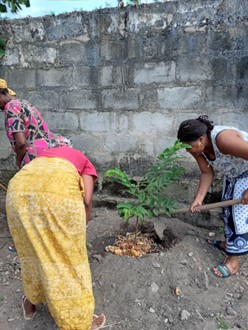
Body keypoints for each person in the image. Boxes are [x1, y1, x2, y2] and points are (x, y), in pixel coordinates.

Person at [6, 145, 106, 329]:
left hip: (16, 193)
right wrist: (82, 226)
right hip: (57, 196)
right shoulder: (85, 162)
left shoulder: (43, 157)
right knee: (69, 260)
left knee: (31, 253)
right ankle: (78, 322)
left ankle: (30, 305)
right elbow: (87, 200)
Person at [0, 78, 71, 252]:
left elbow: (21, 142)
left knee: (24, 199)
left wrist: (19, 159)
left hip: (36, 158)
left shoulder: (10, 108)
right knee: (45, 198)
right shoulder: (23, 103)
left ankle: (26, 243)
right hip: (52, 153)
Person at [177, 115, 248, 279]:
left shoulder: (223, 140)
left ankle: (233, 263)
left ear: (201, 139)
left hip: (246, 172)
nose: (187, 150)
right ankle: (228, 244)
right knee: (228, 212)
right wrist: (198, 199)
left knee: (238, 215)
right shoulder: (197, 148)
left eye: (188, 146)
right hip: (234, 174)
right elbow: (206, 171)